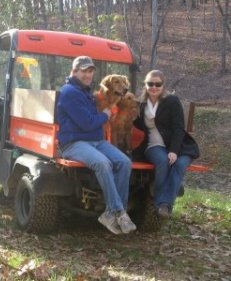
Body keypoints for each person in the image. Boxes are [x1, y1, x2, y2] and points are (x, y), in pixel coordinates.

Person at [56, 56, 136, 235]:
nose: (88, 75)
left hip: (97, 141)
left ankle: (111, 213)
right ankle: (118, 212)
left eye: (90, 71)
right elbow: (86, 122)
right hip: (73, 143)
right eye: (83, 71)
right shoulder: (69, 92)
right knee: (102, 163)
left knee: (124, 162)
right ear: (74, 71)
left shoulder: (86, 92)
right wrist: (105, 115)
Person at [133, 70, 200, 218]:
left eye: (158, 84)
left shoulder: (172, 101)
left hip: (179, 146)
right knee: (163, 161)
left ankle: (164, 205)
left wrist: (174, 151)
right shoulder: (142, 104)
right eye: (150, 84)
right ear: (145, 85)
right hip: (153, 145)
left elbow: (178, 128)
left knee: (180, 165)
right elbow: (136, 124)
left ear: (163, 85)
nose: (154, 87)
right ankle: (161, 203)